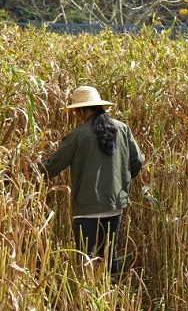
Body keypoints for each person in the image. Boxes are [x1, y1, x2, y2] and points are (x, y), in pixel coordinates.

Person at [40, 85, 144, 274]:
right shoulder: (122, 128)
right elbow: (137, 161)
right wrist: (121, 182)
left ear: (81, 111)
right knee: (110, 258)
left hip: (86, 207)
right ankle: (112, 298)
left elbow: (52, 166)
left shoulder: (78, 135)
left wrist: (24, 170)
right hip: (114, 205)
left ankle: (86, 300)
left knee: (85, 260)